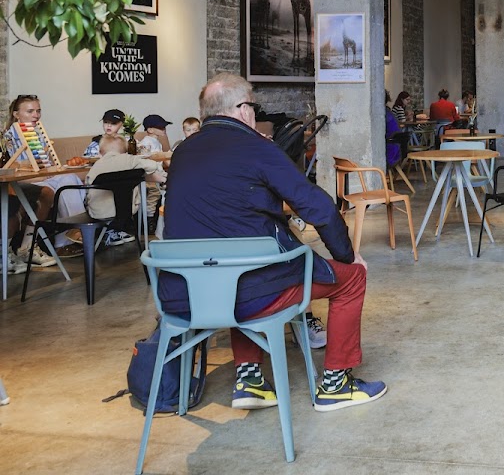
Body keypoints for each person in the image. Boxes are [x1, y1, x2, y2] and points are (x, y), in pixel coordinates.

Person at [163, 72, 386, 412]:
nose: (255, 114)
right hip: (249, 291)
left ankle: (249, 378)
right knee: (350, 278)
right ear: (241, 109)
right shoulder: (256, 148)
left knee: (237, 265)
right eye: (253, 107)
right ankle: (337, 383)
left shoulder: (181, 152)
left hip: (185, 296)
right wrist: (349, 255)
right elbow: (318, 207)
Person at [3, 95, 87, 268]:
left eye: (38, 110)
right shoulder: (9, 137)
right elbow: (12, 167)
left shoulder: (37, 133)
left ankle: (71, 236)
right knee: (48, 192)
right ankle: (29, 246)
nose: (36, 115)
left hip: (45, 177)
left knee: (71, 179)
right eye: (30, 111)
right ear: (17, 114)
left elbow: (46, 164)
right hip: (25, 180)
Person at [86, 136, 167, 247]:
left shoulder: (95, 166)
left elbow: (88, 185)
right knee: (140, 177)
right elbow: (153, 165)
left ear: (100, 152)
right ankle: (141, 240)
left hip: (97, 212)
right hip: (127, 210)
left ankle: (109, 232)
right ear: (125, 151)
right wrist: (163, 177)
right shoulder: (129, 159)